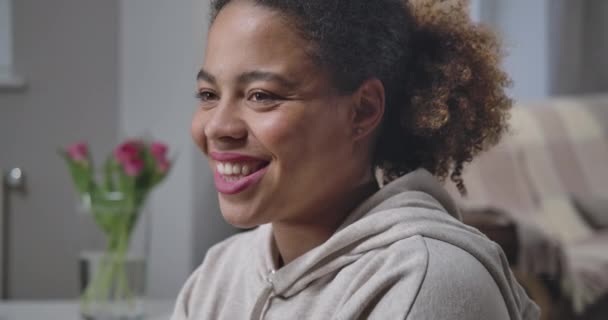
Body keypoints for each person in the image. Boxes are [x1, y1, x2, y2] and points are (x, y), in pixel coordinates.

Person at [172, 0, 540, 319]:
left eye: (261, 95)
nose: (218, 126)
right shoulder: (218, 274)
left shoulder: (429, 282)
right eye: (208, 93)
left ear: (362, 111)